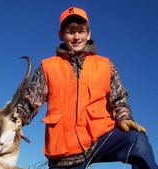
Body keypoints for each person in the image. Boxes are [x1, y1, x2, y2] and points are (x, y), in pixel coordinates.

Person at [17, 6, 158, 169]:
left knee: (137, 140)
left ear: (88, 34)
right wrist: (16, 118)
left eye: (81, 31)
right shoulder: (47, 67)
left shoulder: (106, 65)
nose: (76, 37)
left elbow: (118, 101)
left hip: (101, 138)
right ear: (61, 35)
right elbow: (29, 101)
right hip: (65, 152)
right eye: (70, 32)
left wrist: (125, 118)